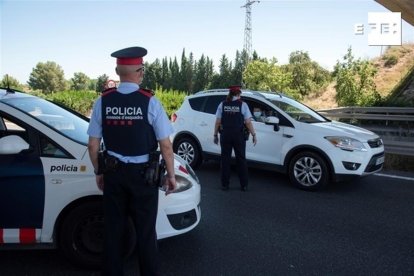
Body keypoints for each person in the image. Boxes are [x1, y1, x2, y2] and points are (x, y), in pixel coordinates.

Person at [87, 46, 177, 276]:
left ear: (118, 72)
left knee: (113, 233)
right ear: (140, 72)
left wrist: (99, 171)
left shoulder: (102, 102)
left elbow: (93, 145)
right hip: (144, 178)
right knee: (146, 234)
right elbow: (165, 145)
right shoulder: (151, 102)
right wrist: (171, 175)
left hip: (114, 175)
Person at [213, 85, 257, 191]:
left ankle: (225, 185)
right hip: (239, 136)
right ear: (238, 94)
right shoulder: (243, 105)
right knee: (241, 160)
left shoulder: (222, 104)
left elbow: (218, 122)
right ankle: (244, 185)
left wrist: (215, 135)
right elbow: (247, 122)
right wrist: (254, 134)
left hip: (225, 135)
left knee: (225, 160)